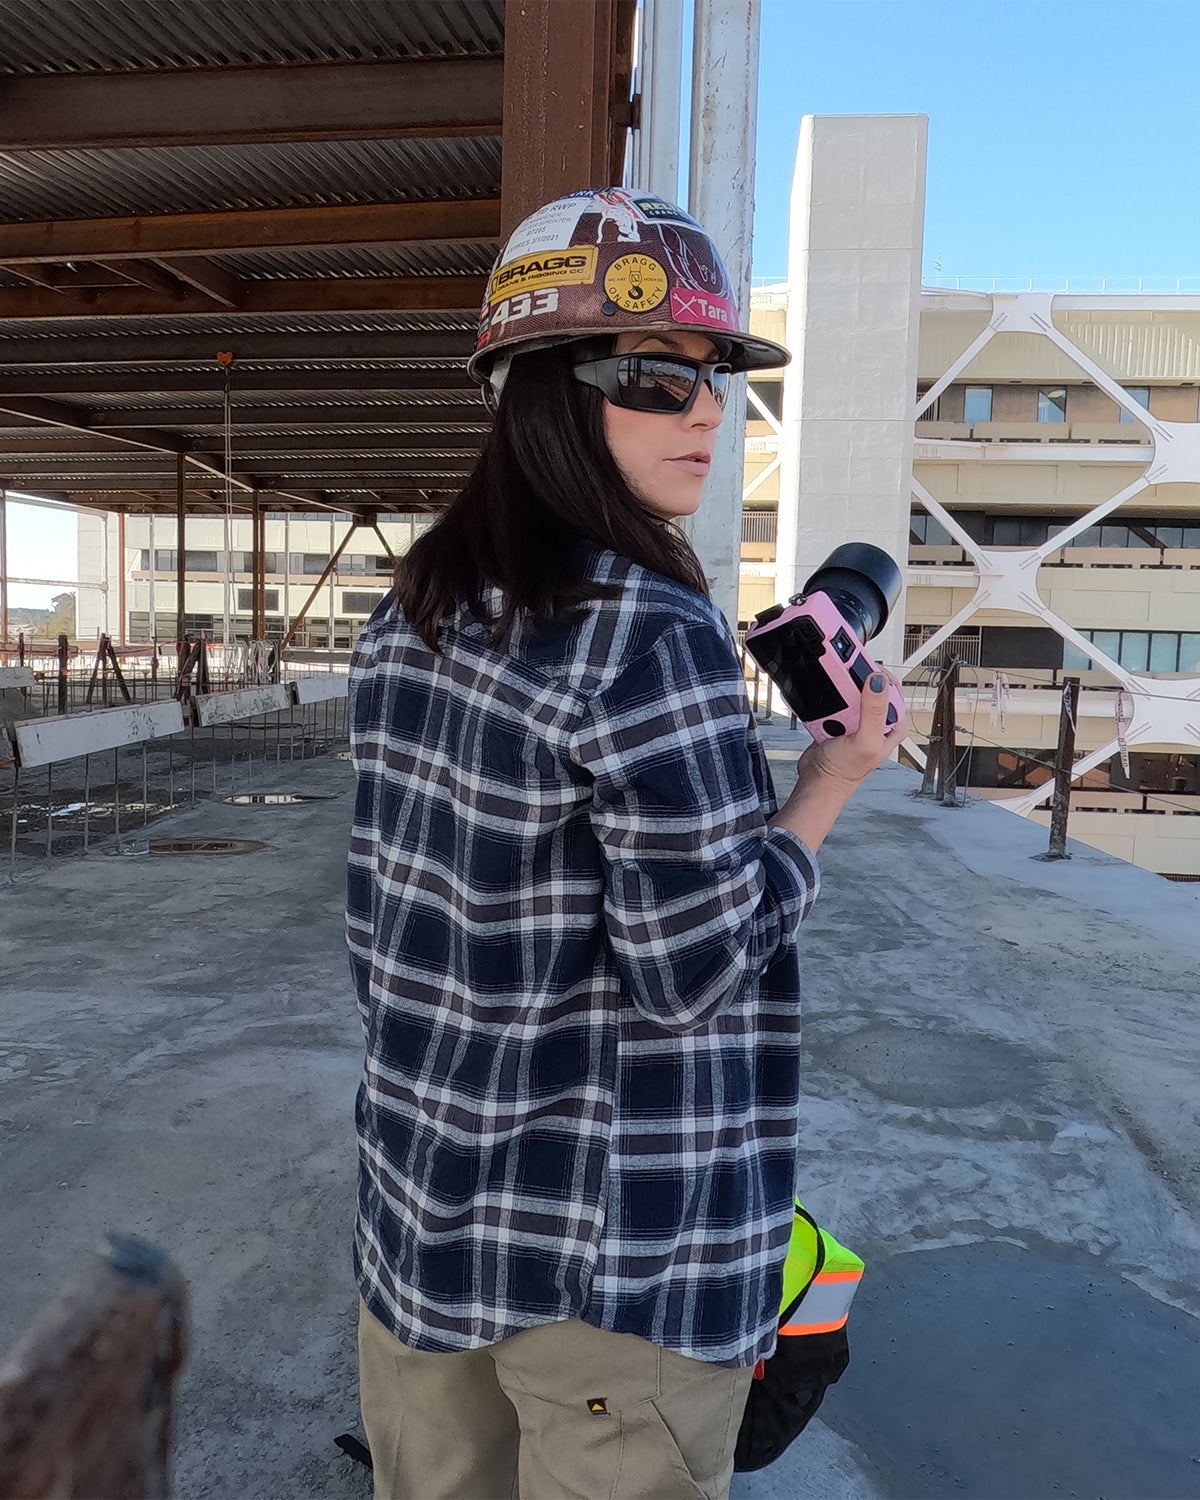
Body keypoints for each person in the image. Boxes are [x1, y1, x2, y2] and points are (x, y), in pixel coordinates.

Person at [346, 187, 898, 1500]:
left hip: (422, 1214)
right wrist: (828, 784)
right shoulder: (654, 634)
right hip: (611, 1267)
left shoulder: (411, 612)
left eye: (716, 378)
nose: (705, 411)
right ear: (541, 395)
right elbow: (691, 967)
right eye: (656, 377)